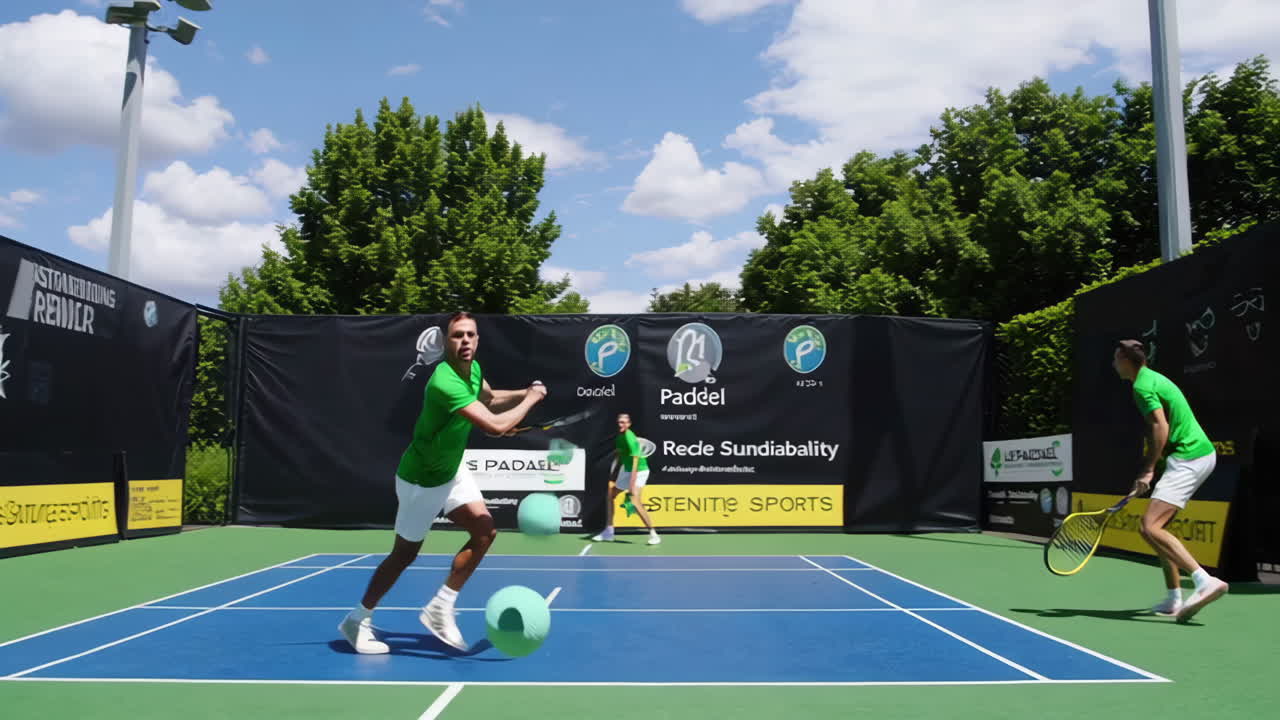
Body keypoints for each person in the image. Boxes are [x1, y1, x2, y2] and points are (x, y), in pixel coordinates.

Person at [338, 312, 547, 653]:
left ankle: (440, 606)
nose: (465, 341)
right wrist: (532, 399)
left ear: (478, 340)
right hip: (422, 479)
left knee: (484, 532)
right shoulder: (444, 381)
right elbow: (493, 425)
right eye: (457, 336)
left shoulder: (474, 371)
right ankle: (356, 620)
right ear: (447, 342)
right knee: (404, 555)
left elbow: (490, 400)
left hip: (451, 469)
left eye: (470, 335)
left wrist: (525, 391)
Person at [1111, 339, 1228, 623]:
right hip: (1194, 455)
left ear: (1127, 361)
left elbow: (1159, 426)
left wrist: (1148, 470)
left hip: (1189, 456)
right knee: (1154, 529)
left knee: (1149, 526)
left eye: (1116, 358)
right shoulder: (1152, 378)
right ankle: (1174, 597)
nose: (1113, 364)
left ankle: (1204, 581)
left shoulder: (1141, 386)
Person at [592, 413, 660, 546]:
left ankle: (653, 534)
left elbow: (635, 460)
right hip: (626, 469)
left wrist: (632, 482)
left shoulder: (630, 437)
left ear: (629, 424)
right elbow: (619, 454)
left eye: (624, 422)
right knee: (611, 494)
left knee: (634, 500)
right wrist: (614, 472)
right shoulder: (619, 437)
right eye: (619, 422)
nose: (621, 424)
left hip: (639, 470)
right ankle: (609, 532)